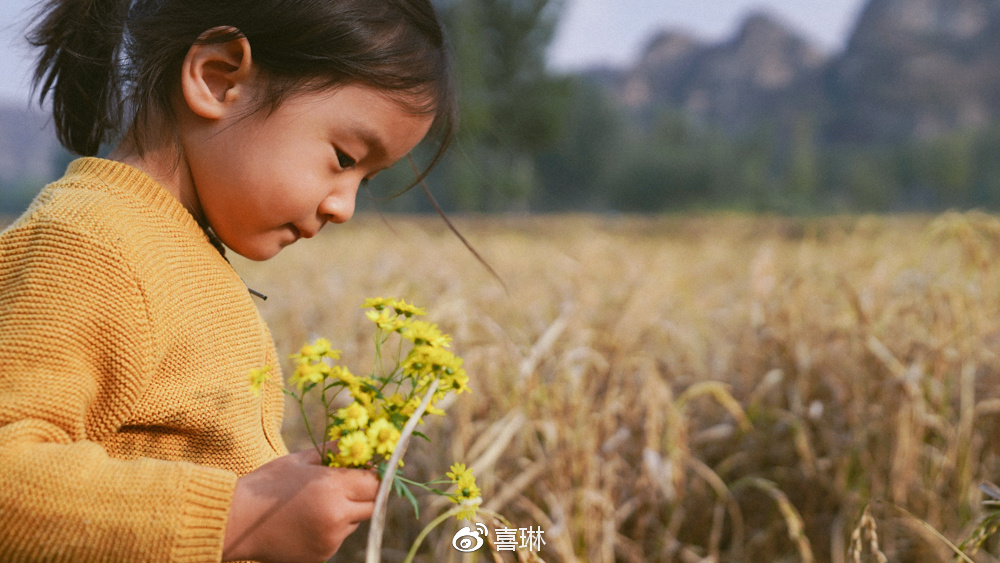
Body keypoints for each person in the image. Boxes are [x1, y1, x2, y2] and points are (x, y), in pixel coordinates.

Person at [0, 0, 455, 561]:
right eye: (344, 157)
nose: (344, 207)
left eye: (367, 179)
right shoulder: (90, 245)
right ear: (216, 81)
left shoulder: (178, 250)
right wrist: (243, 515)